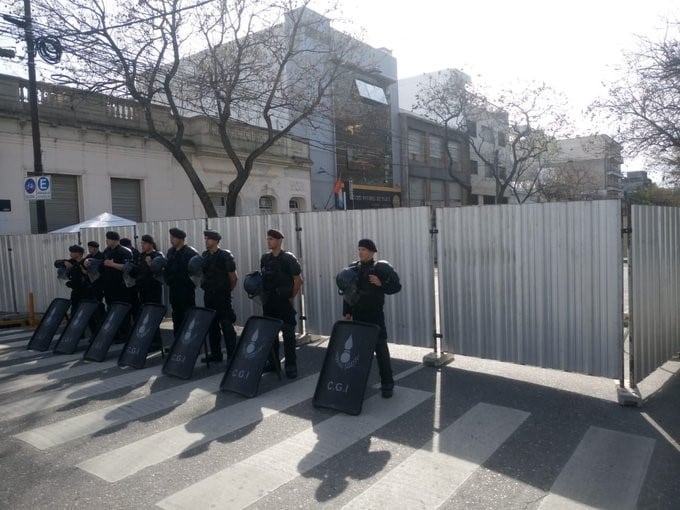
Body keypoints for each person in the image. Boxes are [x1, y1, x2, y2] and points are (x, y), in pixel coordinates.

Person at [342, 239, 401, 398]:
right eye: (359, 249)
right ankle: (356, 383)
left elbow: (396, 287)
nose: (360, 252)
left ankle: (387, 383)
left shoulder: (380, 268)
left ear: (372, 252)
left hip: (375, 316)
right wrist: (347, 311)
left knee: (381, 351)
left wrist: (381, 283)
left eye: (364, 249)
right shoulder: (354, 268)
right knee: (357, 352)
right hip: (358, 316)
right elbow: (347, 291)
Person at [260, 228, 303, 378]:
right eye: (267, 238)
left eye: (271, 239)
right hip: (269, 302)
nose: (268, 241)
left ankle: (291, 366)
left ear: (279, 241)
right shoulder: (265, 258)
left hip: (283, 302)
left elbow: (298, 280)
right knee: (270, 335)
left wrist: (291, 296)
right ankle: (273, 363)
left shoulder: (288, 258)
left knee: (288, 334)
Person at [200, 229, 238, 363]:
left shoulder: (225, 255)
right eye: (205, 238)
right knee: (212, 326)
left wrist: (227, 291)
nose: (206, 241)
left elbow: (233, 277)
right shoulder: (205, 255)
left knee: (226, 325)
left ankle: (232, 355)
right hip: (209, 295)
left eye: (208, 239)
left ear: (215, 241)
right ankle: (216, 354)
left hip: (222, 296)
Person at [164, 227, 199, 338]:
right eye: (171, 237)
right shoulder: (171, 252)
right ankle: (176, 343)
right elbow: (167, 268)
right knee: (176, 317)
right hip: (174, 290)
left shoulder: (190, 252)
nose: (171, 239)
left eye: (173, 237)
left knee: (188, 317)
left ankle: (189, 342)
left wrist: (189, 283)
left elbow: (197, 273)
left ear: (181, 239)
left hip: (186, 291)